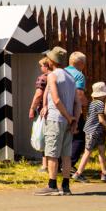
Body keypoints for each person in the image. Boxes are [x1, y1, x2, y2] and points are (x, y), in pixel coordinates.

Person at [34, 47, 79, 196]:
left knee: (52, 153)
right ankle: (66, 186)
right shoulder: (71, 77)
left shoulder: (52, 76)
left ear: (52, 61)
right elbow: (77, 103)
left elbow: (56, 99)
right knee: (66, 154)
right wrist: (74, 120)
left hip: (56, 118)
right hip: (68, 121)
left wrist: (67, 116)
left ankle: (52, 185)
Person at [72, 82, 106, 183]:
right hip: (94, 131)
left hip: (94, 130)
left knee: (101, 150)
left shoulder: (92, 103)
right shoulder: (100, 104)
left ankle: (104, 172)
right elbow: (101, 120)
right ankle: (78, 173)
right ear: (102, 94)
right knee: (88, 152)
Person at [28, 57, 52, 172]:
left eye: (41, 66)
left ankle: (45, 165)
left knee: (43, 136)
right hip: (57, 111)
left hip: (44, 111)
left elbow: (38, 95)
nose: (41, 68)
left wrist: (32, 108)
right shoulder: (58, 76)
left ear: (46, 66)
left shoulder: (43, 78)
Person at [65, 52, 88, 167]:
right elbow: (79, 95)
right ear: (81, 63)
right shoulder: (79, 75)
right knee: (79, 138)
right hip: (74, 111)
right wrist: (87, 103)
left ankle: (59, 165)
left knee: (63, 138)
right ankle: (69, 165)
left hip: (60, 110)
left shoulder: (62, 72)